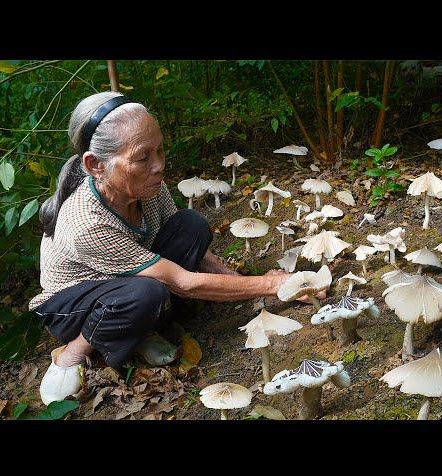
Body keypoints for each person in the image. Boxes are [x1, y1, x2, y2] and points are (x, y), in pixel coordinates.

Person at [30, 91, 298, 405]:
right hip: (75, 305)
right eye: (143, 158)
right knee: (146, 294)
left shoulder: (146, 186)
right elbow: (182, 280)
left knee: (192, 225)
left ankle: (148, 323)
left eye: (159, 151)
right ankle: (74, 352)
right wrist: (273, 285)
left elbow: (183, 240)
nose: (158, 166)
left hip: (132, 277)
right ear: (95, 165)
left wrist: (234, 278)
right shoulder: (87, 222)